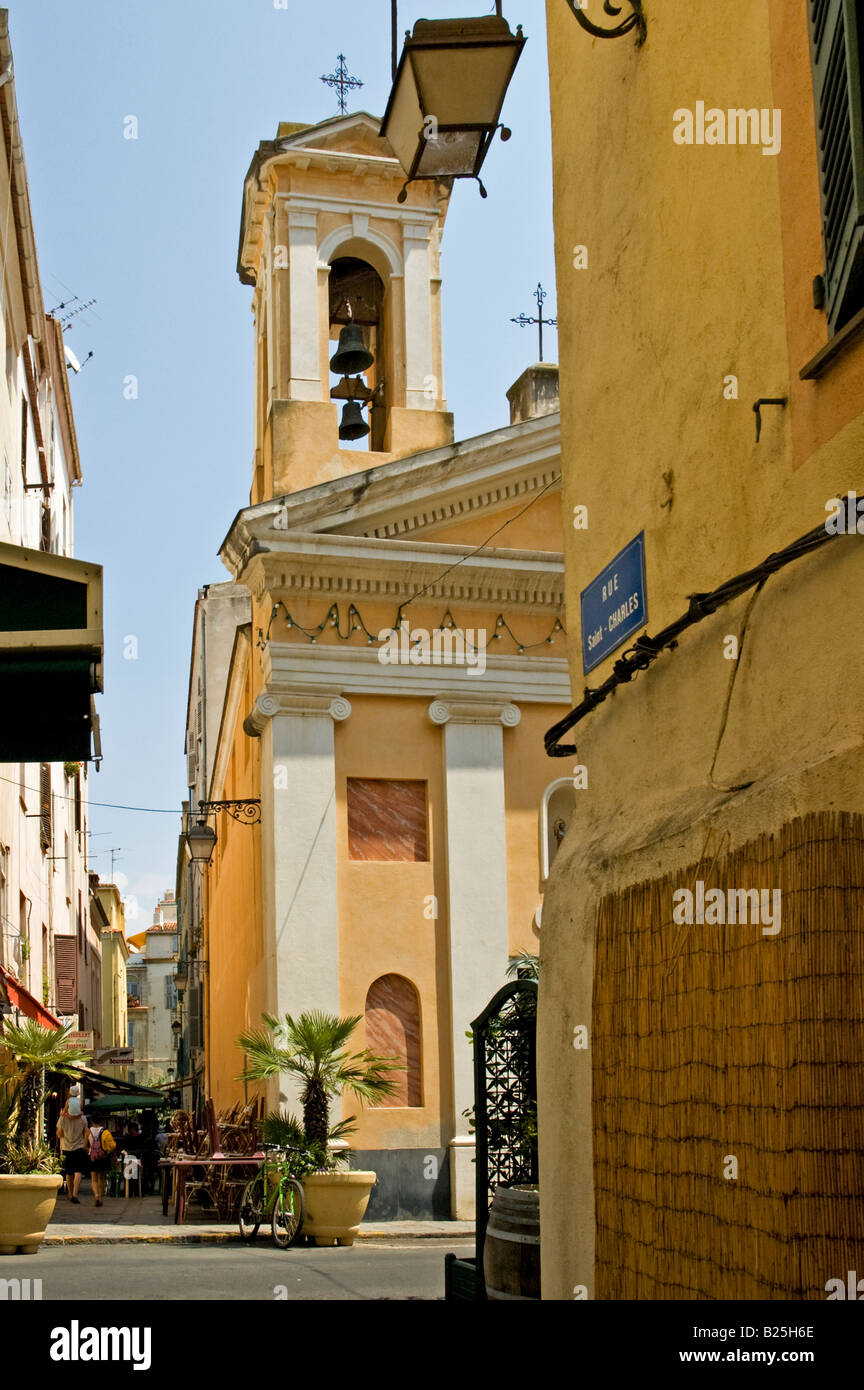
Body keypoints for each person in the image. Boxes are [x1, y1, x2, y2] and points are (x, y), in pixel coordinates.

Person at [56, 1093, 89, 1203]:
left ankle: (70, 1193)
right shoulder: (83, 1119)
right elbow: (86, 1132)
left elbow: (59, 1134)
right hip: (79, 1147)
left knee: (69, 1172)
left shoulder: (62, 1119)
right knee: (78, 1171)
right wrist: (85, 1144)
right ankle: (75, 1193)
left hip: (66, 1147)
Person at [87, 1118, 116, 1207]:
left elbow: (84, 1145)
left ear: (92, 1121)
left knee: (94, 1179)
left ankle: (96, 1195)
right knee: (101, 1178)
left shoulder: (88, 1131)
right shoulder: (105, 1131)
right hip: (103, 1157)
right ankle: (100, 1197)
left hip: (92, 1157)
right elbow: (112, 1146)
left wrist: (90, 1151)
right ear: (101, 1121)